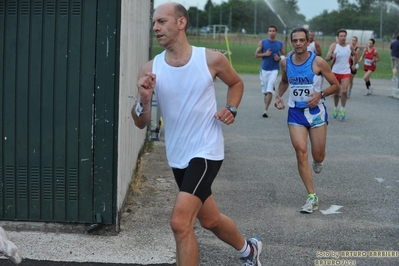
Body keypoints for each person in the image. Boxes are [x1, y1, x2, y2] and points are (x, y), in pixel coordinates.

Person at [132, 3, 261, 265]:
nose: (155, 27)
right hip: (177, 154)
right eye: (154, 22)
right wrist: (144, 99)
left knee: (180, 223)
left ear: (181, 23)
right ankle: (249, 250)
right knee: (209, 220)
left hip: (206, 150)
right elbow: (140, 122)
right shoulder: (150, 68)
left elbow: (236, 83)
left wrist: (231, 108)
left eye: (162, 21)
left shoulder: (211, 59)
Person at [274, 27, 339, 213]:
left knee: (318, 155)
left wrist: (320, 94)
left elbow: (335, 85)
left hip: (316, 113)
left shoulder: (317, 62)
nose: (298, 44)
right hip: (295, 113)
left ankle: (318, 161)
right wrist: (279, 96)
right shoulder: (286, 63)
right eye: (295, 40)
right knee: (300, 151)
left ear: (308, 41)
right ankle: (312, 196)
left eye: (302, 40)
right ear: (291, 42)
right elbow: (285, 81)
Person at [255, 25, 286, 118]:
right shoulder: (263, 42)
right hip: (264, 69)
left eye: (273, 31)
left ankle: (265, 110)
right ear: (268, 32)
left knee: (270, 90)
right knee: (265, 90)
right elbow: (256, 55)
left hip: (274, 69)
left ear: (276, 32)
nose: (272, 32)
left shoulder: (280, 44)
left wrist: (279, 58)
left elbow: (285, 56)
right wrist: (265, 54)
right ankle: (266, 95)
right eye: (270, 31)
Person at [325, 29, 356, 120]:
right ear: (338, 37)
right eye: (341, 36)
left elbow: (354, 54)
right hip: (335, 72)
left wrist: (354, 64)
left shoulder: (349, 46)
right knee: (336, 93)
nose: (343, 38)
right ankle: (335, 108)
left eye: (344, 36)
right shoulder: (334, 46)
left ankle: (342, 109)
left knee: (344, 91)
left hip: (346, 71)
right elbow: (326, 59)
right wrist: (331, 56)